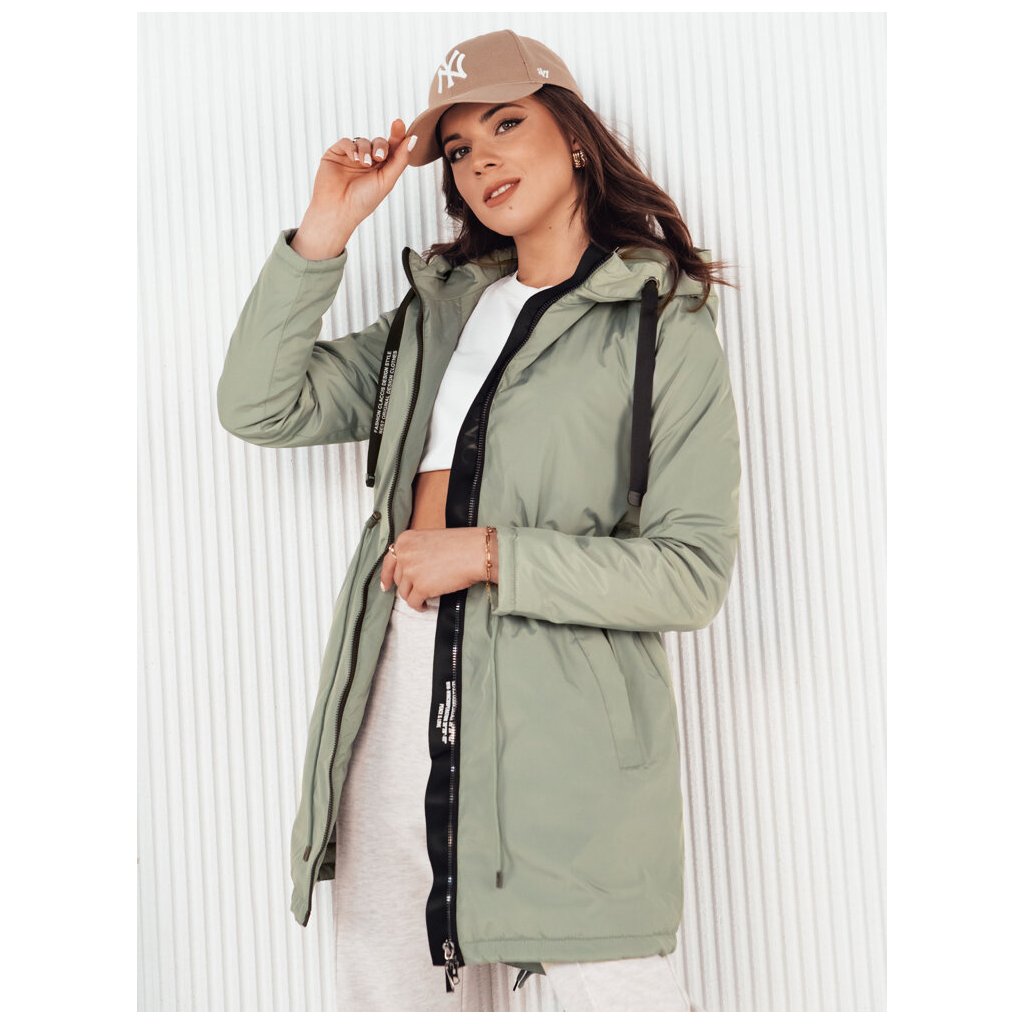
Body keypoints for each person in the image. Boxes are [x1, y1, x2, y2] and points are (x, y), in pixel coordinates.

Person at [217, 28, 740, 1013]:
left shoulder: (658, 318)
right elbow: (259, 406)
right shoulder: (438, 315)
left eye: (506, 124)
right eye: (458, 148)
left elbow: (689, 572)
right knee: (392, 993)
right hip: (394, 703)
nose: (481, 160)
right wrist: (326, 229)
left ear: (573, 135)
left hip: (564, 737)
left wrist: (491, 553)